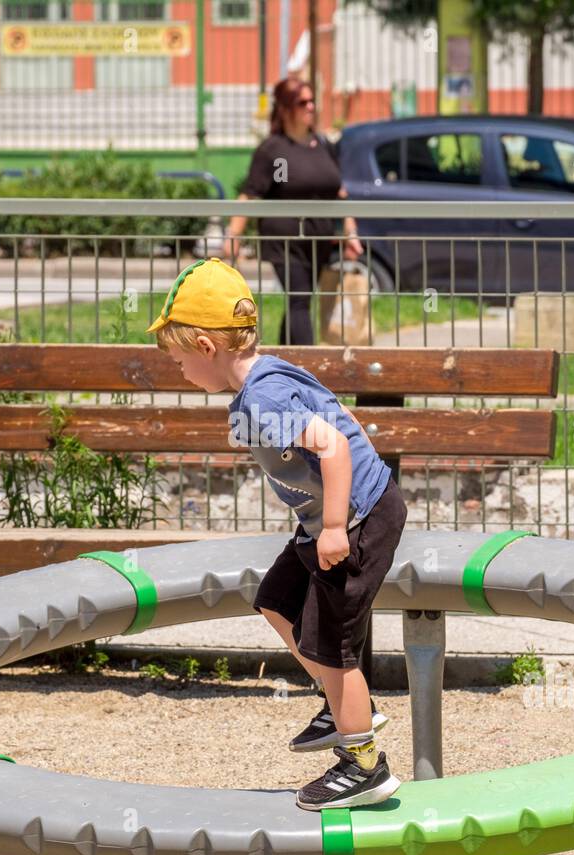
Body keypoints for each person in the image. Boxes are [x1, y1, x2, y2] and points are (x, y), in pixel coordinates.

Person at [148, 257, 407, 810]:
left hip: (356, 519)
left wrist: (336, 528)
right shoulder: (266, 377)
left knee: (331, 644)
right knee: (277, 600)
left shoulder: (262, 398)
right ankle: (336, 704)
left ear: (205, 346)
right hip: (329, 520)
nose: (180, 373)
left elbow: (334, 446)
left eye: (178, 361)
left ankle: (364, 763)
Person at [223, 77, 363, 346]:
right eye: (302, 102)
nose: (310, 107)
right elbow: (251, 194)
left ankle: (285, 363)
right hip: (285, 241)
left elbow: (339, 193)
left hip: (317, 240)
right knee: (299, 297)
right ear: (286, 108)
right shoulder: (275, 151)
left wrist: (351, 232)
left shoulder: (323, 145)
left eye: (312, 101)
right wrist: (234, 236)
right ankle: (306, 369)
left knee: (301, 298)